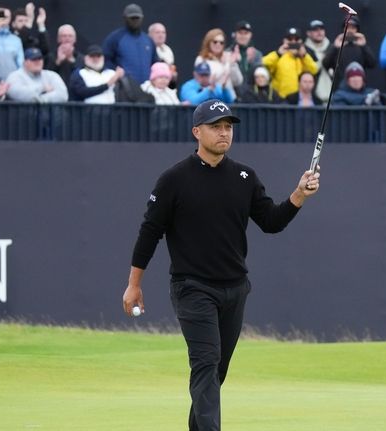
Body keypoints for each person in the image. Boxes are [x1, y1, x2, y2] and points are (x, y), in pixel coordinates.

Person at [122, 98, 320, 431]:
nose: (224, 133)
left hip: (235, 289)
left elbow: (271, 221)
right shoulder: (174, 179)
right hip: (192, 287)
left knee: (216, 372)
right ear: (197, 132)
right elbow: (150, 232)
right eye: (216, 127)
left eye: (228, 127)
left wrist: (299, 195)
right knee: (206, 363)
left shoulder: (244, 176)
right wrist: (134, 283)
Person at [102, 3, 158, 85]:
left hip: (147, 88)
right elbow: (105, 60)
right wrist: (116, 73)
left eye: (137, 18)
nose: (135, 20)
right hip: (124, 89)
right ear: (125, 18)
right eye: (132, 18)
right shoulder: (115, 38)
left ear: (142, 18)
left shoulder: (148, 40)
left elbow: (155, 63)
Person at [263, 27, 319, 99]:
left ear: (301, 41)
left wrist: (304, 56)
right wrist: (277, 54)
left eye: (296, 39)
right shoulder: (278, 57)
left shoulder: (304, 58)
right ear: (284, 41)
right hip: (281, 99)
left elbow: (314, 70)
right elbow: (263, 64)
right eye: (290, 39)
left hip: (299, 100)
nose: (293, 42)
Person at [322, 16, 377, 89]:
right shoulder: (337, 46)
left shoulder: (361, 47)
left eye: (353, 28)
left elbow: (372, 64)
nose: (349, 30)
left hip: (359, 87)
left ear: (357, 30)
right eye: (347, 27)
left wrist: (364, 46)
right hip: (339, 88)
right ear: (343, 29)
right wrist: (335, 47)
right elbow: (325, 64)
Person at [195, 28, 243, 102]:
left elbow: (238, 81)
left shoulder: (227, 57)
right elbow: (207, 80)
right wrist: (226, 65)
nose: (218, 44)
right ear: (208, 43)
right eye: (215, 42)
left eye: (221, 42)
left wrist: (232, 64)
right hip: (211, 100)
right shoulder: (201, 59)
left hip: (229, 100)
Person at [305, 19, 332, 102]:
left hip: (332, 97)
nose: (319, 32)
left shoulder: (332, 48)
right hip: (313, 98)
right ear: (308, 33)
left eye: (321, 29)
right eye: (315, 30)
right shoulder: (304, 51)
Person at [148, 22, 177, 87]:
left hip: (166, 85)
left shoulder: (168, 49)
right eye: (157, 32)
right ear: (150, 34)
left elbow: (171, 68)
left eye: (163, 32)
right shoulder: (146, 49)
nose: (161, 35)